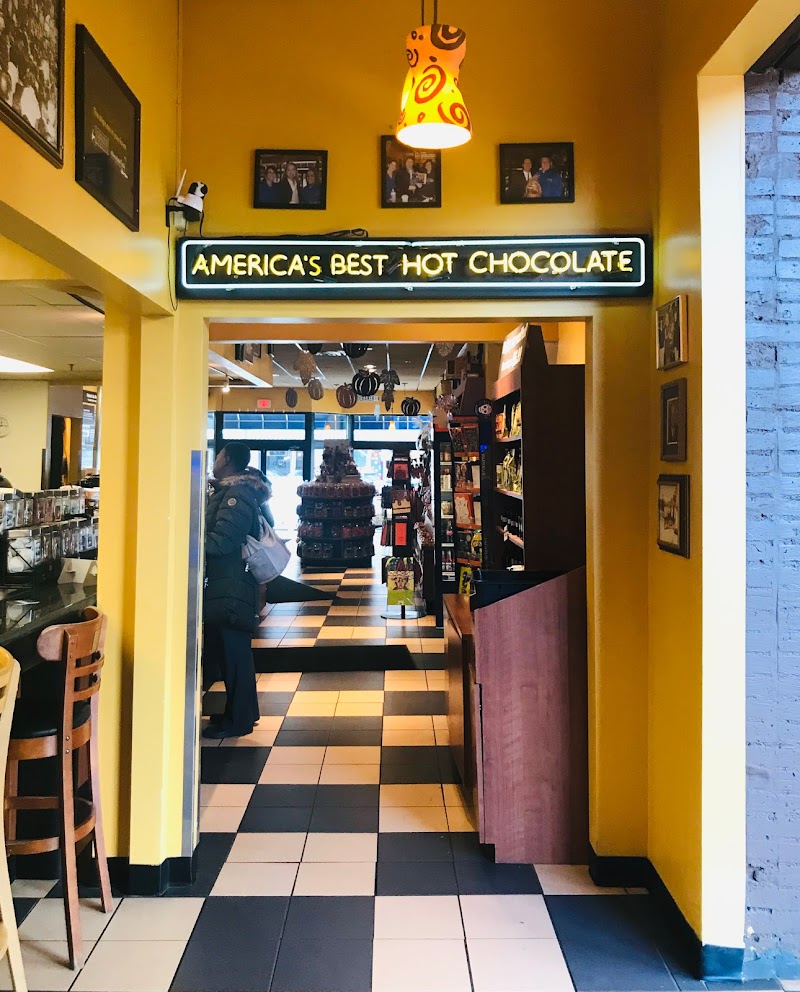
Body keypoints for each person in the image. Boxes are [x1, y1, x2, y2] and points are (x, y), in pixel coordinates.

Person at [202, 441, 270, 739]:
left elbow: (223, 541)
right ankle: (241, 713)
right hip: (227, 585)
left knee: (235, 654)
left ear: (227, 459)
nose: (215, 460)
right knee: (232, 654)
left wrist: (189, 541)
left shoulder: (236, 495)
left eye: (218, 455)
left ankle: (239, 720)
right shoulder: (233, 492)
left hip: (231, 586)